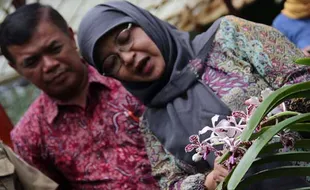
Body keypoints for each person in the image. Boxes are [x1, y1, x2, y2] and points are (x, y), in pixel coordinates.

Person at [78, 1, 310, 189]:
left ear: (144, 23)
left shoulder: (230, 36)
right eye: (112, 62)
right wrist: (210, 180)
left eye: (124, 39)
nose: (127, 58)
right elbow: (171, 183)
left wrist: (269, 124)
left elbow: (300, 78)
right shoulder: (152, 125)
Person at [0, 3, 159, 189]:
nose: (49, 64)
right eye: (32, 61)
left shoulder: (130, 73)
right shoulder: (30, 136)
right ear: (16, 68)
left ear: (71, 36)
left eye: (54, 48)